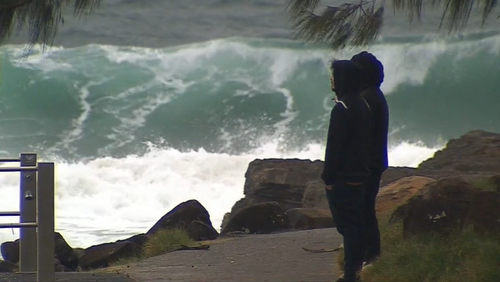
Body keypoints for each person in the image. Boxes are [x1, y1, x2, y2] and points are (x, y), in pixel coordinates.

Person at [321, 60, 373, 282]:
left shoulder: (341, 109)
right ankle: (355, 270)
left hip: (344, 177)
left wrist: (328, 177)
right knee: (357, 225)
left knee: (348, 227)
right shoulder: (363, 104)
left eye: (333, 75)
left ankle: (351, 274)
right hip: (361, 174)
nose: (331, 79)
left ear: (342, 78)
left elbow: (335, 146)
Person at [351, 51, 389, 266]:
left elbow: (362, 137)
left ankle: (370, 254)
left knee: (364, 210)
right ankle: (370, 253)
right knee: (366, 208)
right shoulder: (374, 94)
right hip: (375, 162)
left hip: (368, 164)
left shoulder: (367, 98)